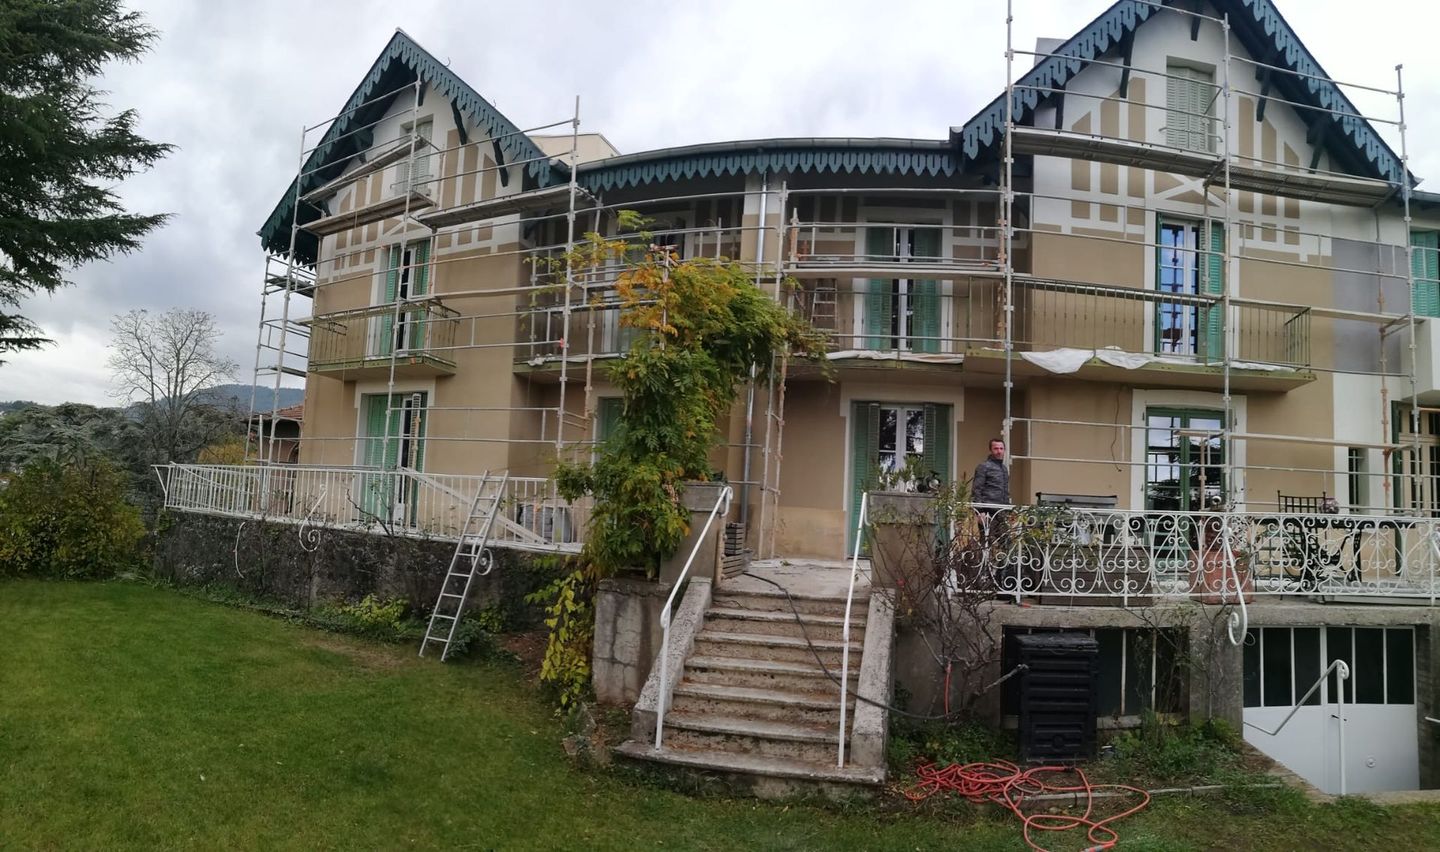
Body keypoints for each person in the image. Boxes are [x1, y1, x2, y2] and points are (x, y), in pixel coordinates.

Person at [972, 438, 1011, 545]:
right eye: (996, 448)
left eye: (1001, 448)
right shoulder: (983, 467)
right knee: (986, 543)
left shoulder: (1004, 469)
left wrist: (1008, 510)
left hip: (1001, 512)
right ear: (991, 450)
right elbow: (976, 489)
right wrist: (979, 512)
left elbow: (1005, 491)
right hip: (988, 512)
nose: (999, 451)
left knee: (1006, 543)